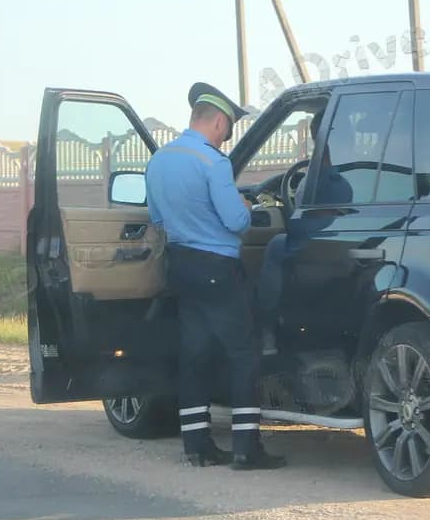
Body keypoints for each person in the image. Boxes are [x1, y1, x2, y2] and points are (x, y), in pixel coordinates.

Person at [146, 82, 286, 470]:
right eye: (227, 130)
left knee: (195, 355)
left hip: (180, 266)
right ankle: (246, 448)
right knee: (243, 354)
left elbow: (156, 218)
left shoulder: (160, 160)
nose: (226, 139)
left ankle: (197, 445)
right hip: (217, 270)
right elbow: (238, 221)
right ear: (220, 122)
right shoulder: (214, 163)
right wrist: (242, 203)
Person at [255, 110, 353, 354]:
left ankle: (266, 327)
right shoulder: (357, 169)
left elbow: (299, 221)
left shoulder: (321, 175)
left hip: (322, 243)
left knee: (277, 244)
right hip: (349, 244)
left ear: (320, 138)